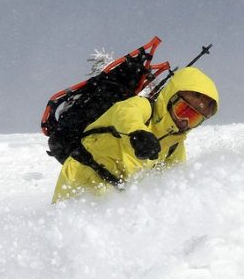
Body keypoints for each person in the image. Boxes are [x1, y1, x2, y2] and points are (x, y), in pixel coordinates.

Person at [52, 66, 219, 202]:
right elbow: (125, 113)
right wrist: (137, 133)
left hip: (111, 197)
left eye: (195, 118)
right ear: (170, 98)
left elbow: (176, 182)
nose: (185, 121)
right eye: (184, 110)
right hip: (79, 176)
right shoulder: (144, 107)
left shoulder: (174, 147)